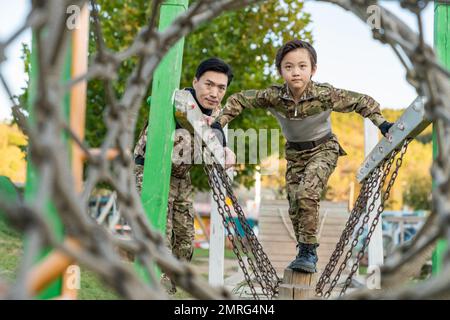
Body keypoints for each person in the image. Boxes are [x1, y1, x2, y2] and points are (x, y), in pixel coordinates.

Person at [210, 39, 394, 273]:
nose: (295, 72)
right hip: (295, 154)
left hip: (323, 148)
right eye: (288, 67)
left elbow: (362, 101)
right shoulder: (273, 96)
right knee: (295, 205)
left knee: (307, 193)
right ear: (280, 71)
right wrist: (219, 123)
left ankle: (309, 252)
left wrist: (382, 123)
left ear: (312, 69)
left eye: (302, 66)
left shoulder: (325, 94)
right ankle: (303, 250)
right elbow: (239, 100)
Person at [134, 58, 236, 293]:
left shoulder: (216, 112)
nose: (214, 93)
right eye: (208, 84)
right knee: (161, 238)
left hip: (181, 179)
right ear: (195, 82)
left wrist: (226, 148)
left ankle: (167, 290)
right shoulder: (180, 100)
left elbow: (217, 132)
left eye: (221, 88)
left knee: (185, 242)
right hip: (151, 171)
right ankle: (152, 290)